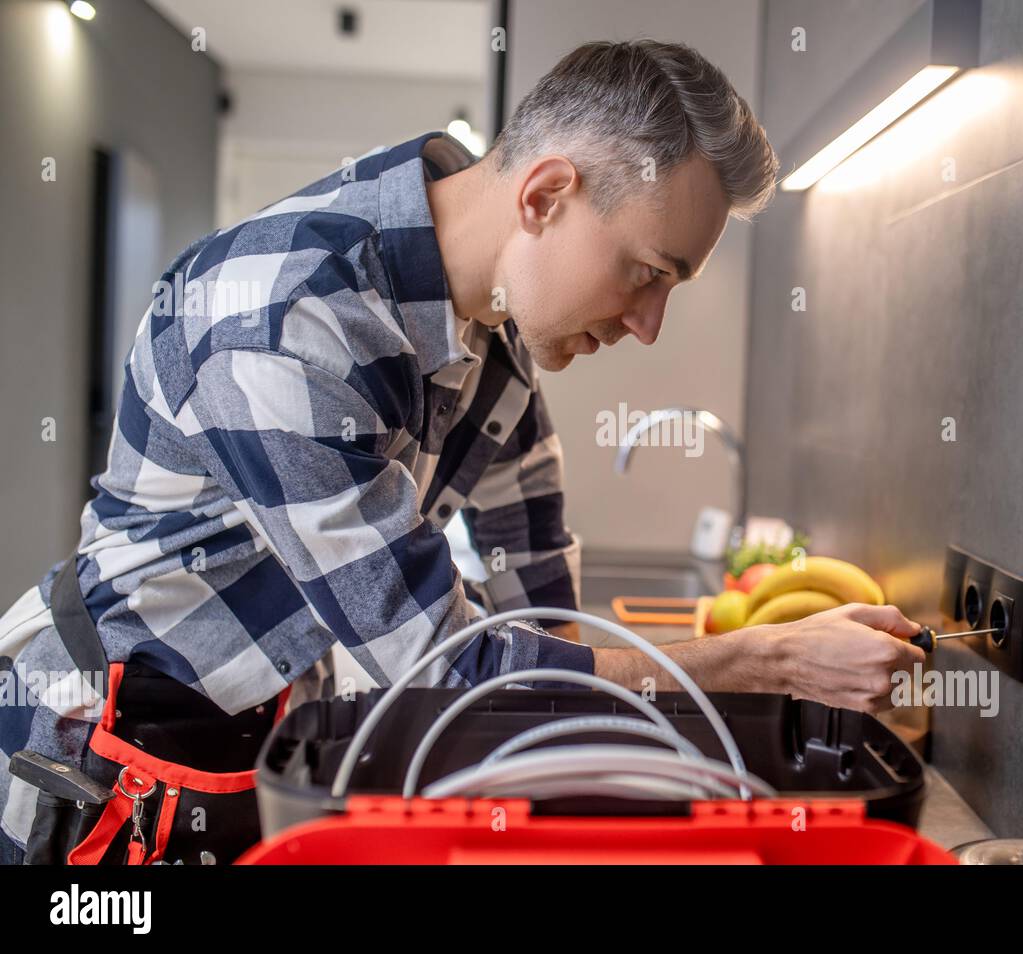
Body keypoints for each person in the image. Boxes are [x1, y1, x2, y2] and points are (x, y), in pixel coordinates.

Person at [0, 39, 924, 865]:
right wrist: (762, 665)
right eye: (648, 273)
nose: (649, 325)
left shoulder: (494, 343)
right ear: (546, 195)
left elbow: (547, 628)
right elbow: (448, 669)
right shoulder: (283, 323)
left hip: (264, 729)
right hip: (89, 739)